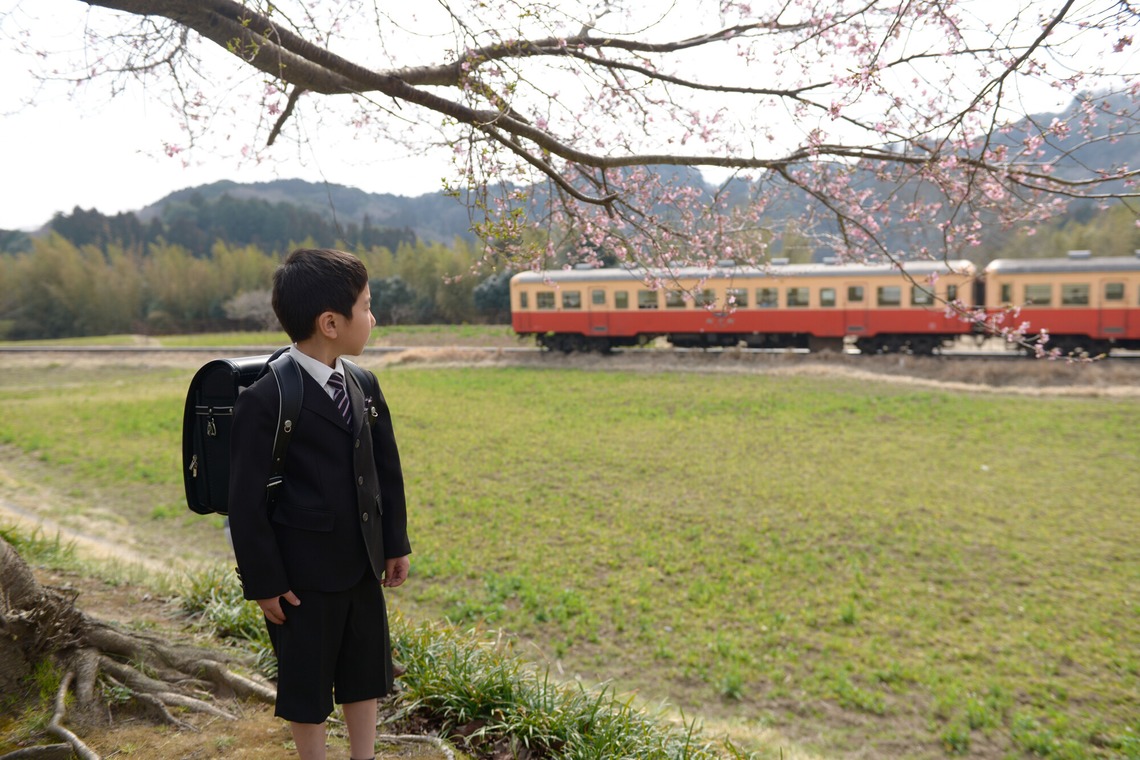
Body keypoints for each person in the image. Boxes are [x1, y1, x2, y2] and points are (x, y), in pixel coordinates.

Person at [227, 248, 411, 760]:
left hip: (362, 566)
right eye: (368, 307)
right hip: (300, 579)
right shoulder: (267, 398)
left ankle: (364, 755)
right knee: (307, 683)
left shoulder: (363, 383)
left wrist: (394, 543)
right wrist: (265, 582)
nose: (373, 318)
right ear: (331, 322)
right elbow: (244, 504)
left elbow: (386, 473)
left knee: (364, 672)